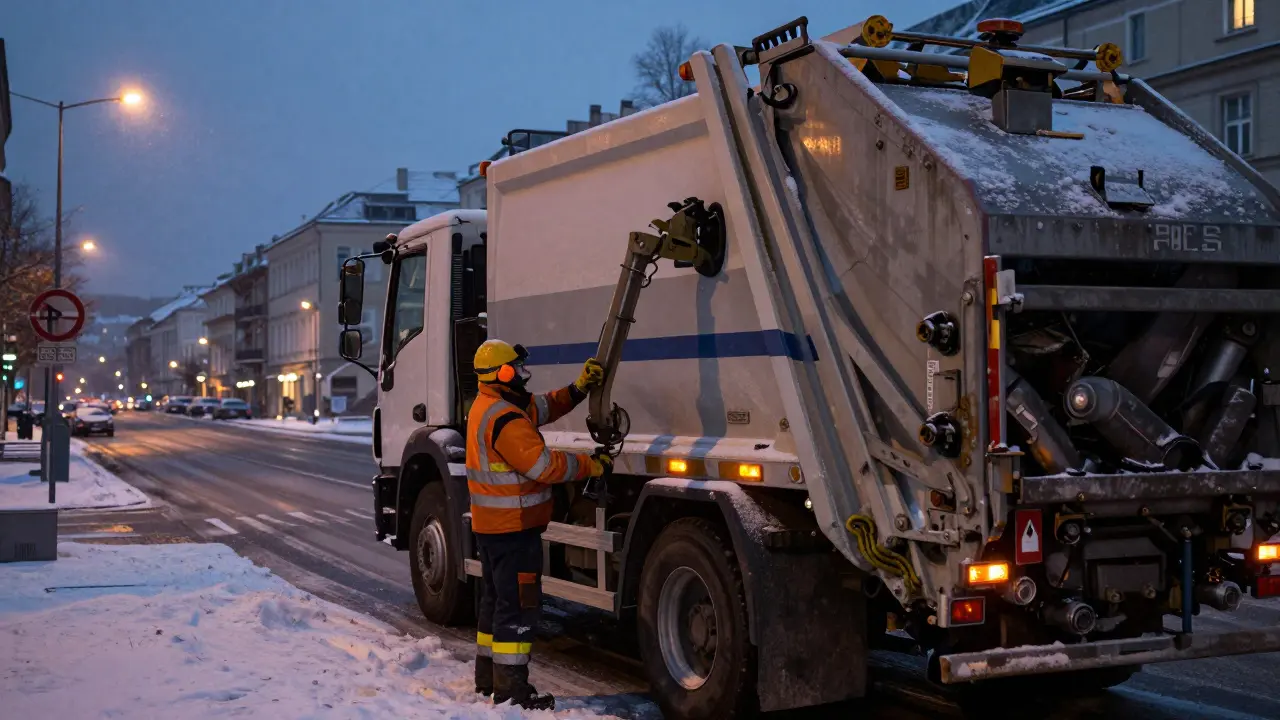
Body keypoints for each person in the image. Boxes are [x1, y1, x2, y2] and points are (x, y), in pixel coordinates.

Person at [467, 339, 610, 709]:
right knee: (518, 606)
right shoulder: (506, 418)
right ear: (503, 373)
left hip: (494, 528)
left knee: (496, 601)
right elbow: (544, 466)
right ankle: (512, 691)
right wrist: (591, 465)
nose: (522, 373)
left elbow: (544, 406)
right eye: (516, 368)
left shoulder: (492, 405)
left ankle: (488, 679)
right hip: (514, 529)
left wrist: (579, 389)